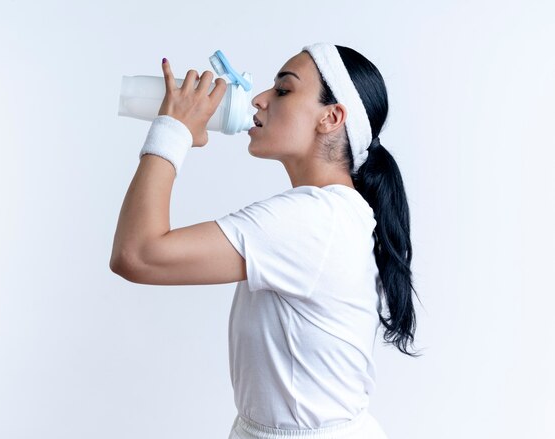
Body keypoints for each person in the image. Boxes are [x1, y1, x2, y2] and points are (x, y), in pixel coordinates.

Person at [110, 42, 421, 439]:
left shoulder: (313, 219)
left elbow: (136, 254)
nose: (259, 99)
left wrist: (174, 131)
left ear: (331, 117)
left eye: (283, 90)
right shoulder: (332, 214)